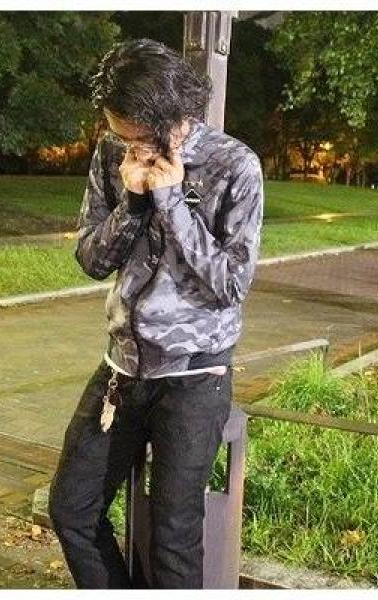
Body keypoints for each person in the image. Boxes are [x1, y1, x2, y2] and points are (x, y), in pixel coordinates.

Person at [47, 38, 264, 589]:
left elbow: (230, 285)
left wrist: (170, 202)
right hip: (123, 367)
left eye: (138, 137)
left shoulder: (234, 166)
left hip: (196, 374)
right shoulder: (110, 155)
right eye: (120, 135)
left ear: (173, 117)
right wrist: (135, 201)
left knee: (172, 540)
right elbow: (92, 260)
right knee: (72, 509)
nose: (129, 147)